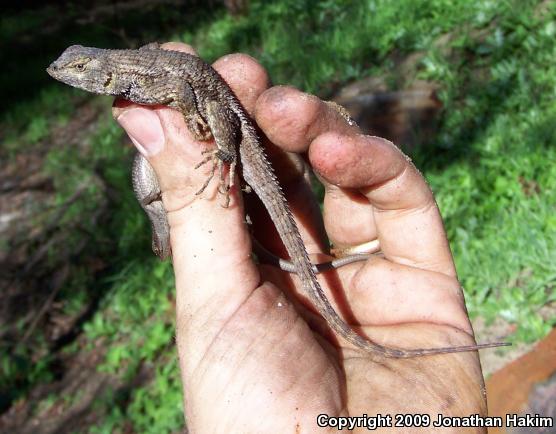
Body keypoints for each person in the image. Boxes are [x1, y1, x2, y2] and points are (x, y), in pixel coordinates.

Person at [114, 42, 488, 433]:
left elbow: (184, 90)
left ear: (102, 74)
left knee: (270, 151)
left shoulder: (135, 81)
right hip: (224, 112)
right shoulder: (130, 77)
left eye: (78, 70)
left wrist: (218, 145)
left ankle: (225, 156)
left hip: (231, 128)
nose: (68, 76)